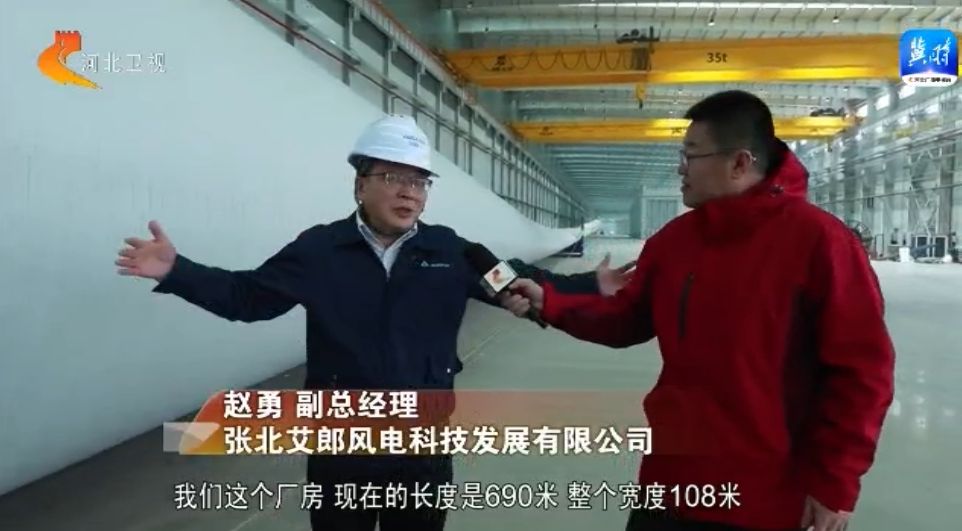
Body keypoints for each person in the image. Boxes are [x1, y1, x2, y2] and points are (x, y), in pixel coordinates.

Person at [114, 114, 621, 530]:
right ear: (360, 185)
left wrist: (584, 286)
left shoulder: (451, 251)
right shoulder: (319, 251)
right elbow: (248, 298)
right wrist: (177, 271)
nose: (409, 193)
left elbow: (517, 281)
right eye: (393, 178)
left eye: (419, 181)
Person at [500, 91, 896, 531]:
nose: (680, 168)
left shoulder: (820, 243)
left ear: (739, 163)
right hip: (671, 482)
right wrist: (552, 303)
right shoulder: (675, 242)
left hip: (763, 499)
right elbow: (627, 318)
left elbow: (862, 373)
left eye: (691, 155)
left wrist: (835, 482)